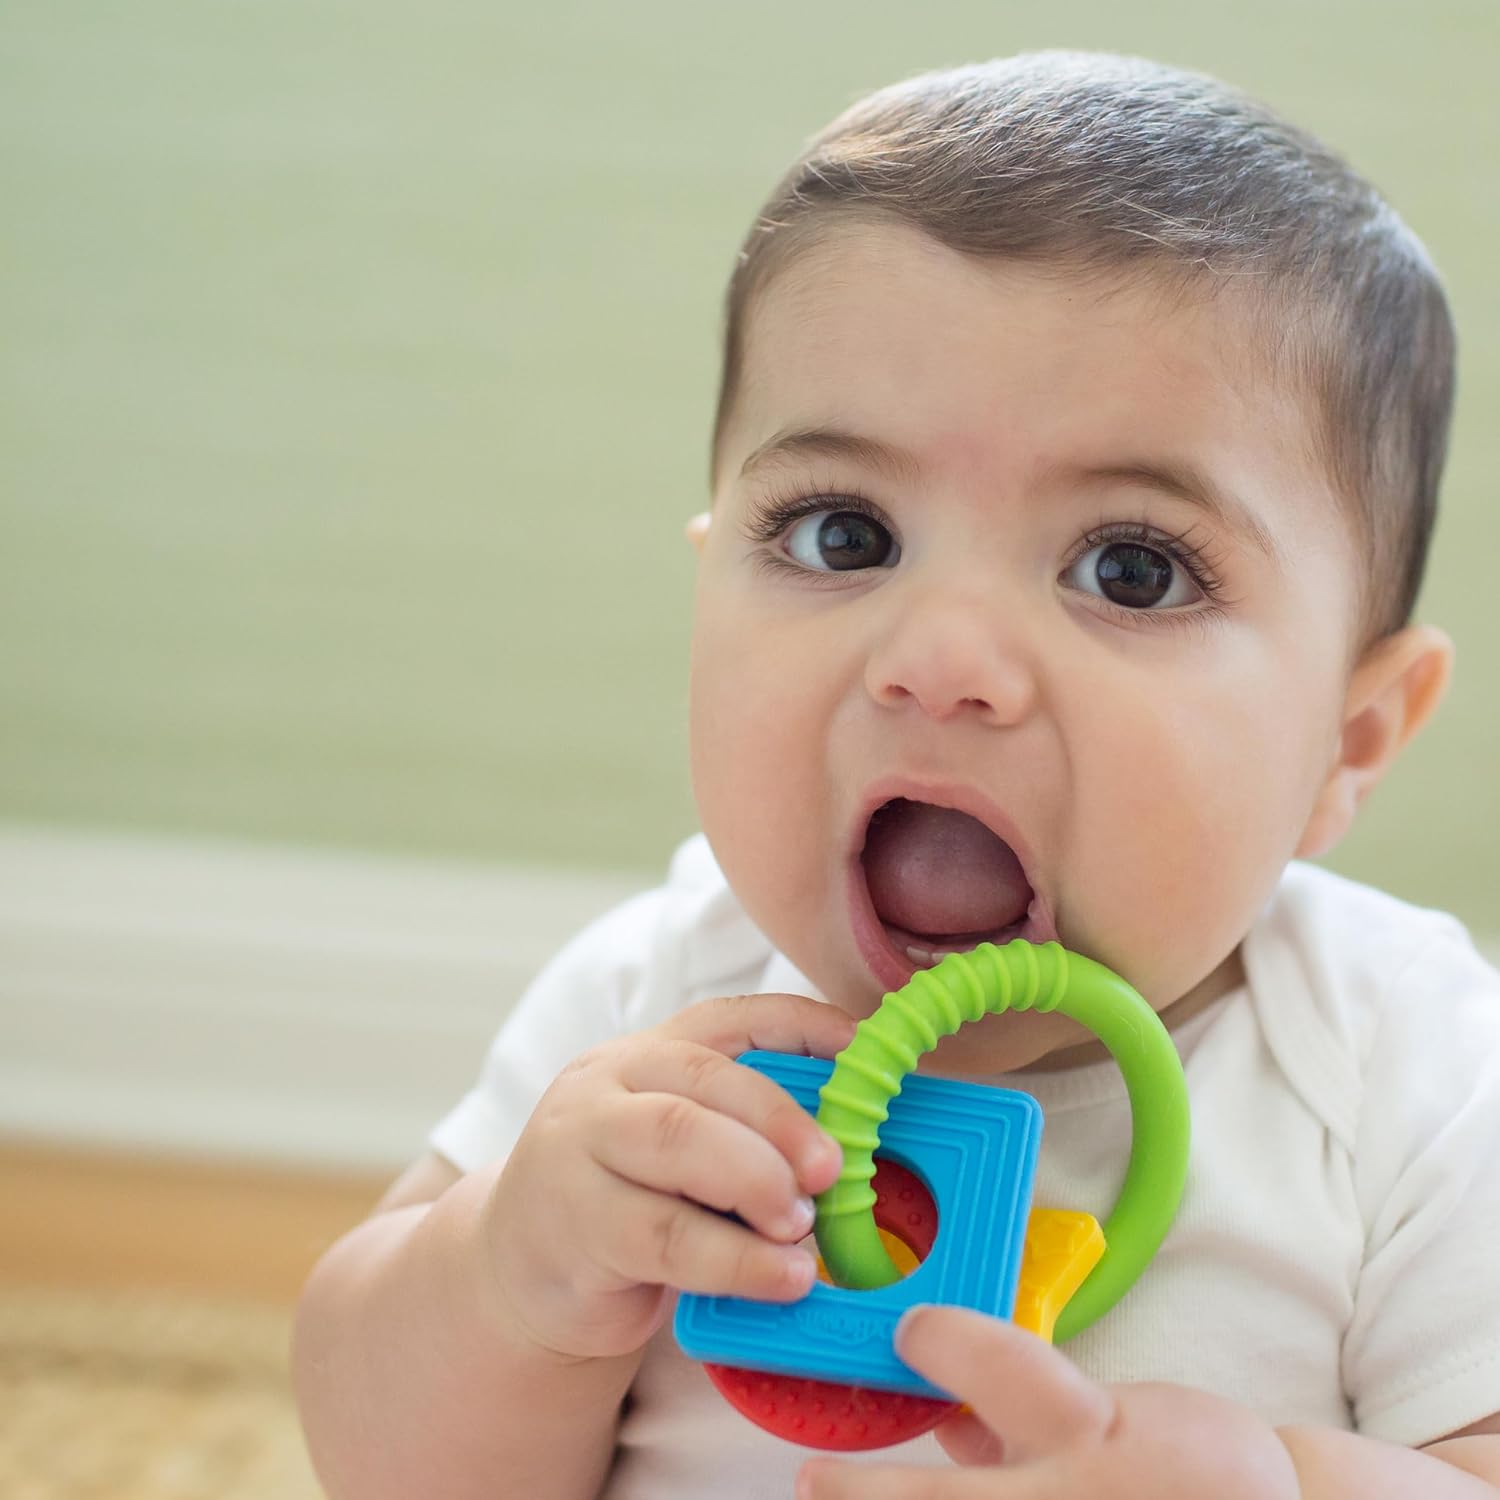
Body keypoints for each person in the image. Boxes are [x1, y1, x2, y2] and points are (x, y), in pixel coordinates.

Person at [293, 50, 1500, 1500]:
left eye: (1131, 567)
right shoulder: (661, 1008)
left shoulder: (1411, 1070)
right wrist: (507, 1277)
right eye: (841, 536)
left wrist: (1286, 1485)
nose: (939, 658)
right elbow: (383, 1463)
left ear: (1349, 740)